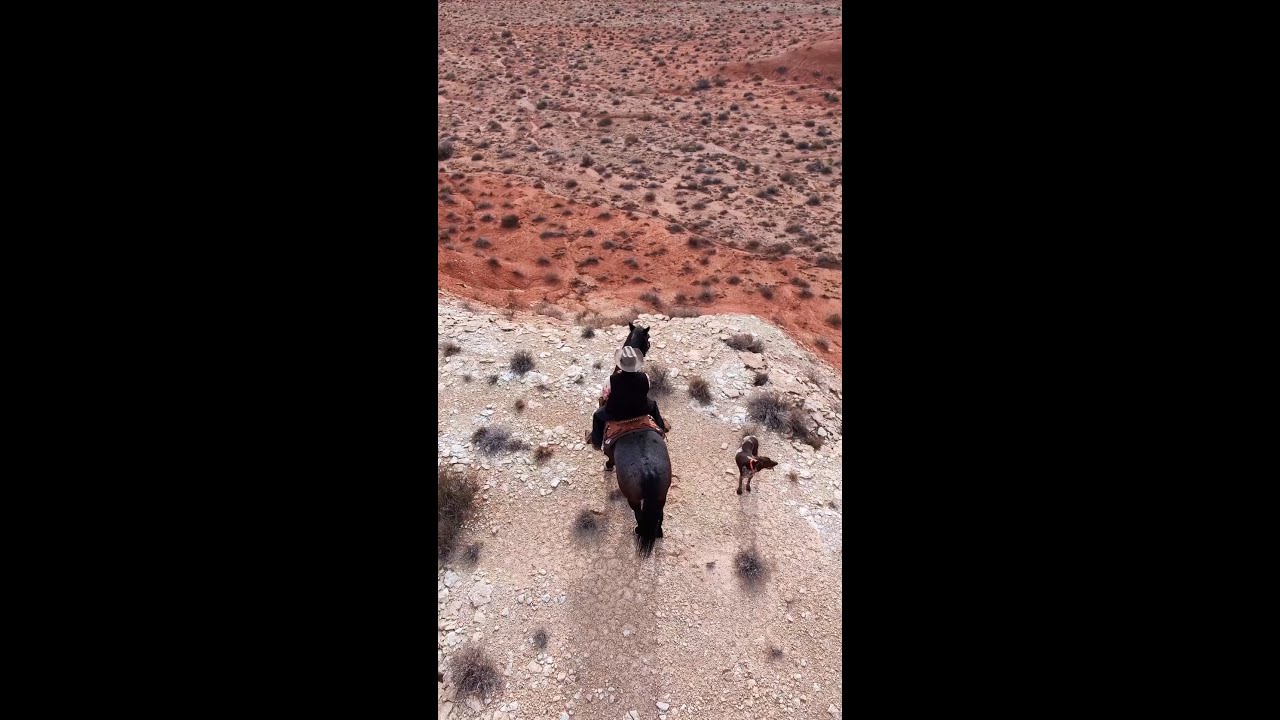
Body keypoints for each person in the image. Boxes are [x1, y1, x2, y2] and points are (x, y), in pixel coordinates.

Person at [590, 346, 670, 450]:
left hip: (616, 413)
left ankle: (597, 443)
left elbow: (605, 396)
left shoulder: (610, 380)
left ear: (621, 363)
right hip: (641, 409)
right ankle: (662, 427)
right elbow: (645, 390)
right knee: (653, 405)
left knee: (597, 416)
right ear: (635, 363)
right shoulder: (645, 377)